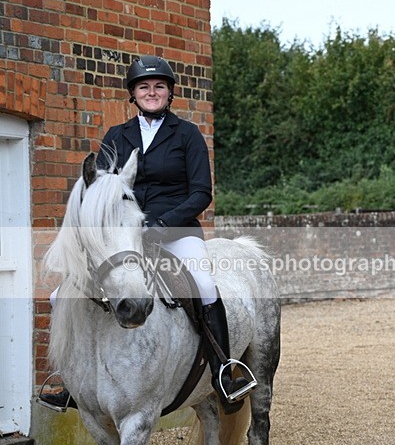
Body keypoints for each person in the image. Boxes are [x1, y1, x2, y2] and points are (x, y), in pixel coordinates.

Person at [40, 55, 254, 413]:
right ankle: (72, 381)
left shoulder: (187, 134)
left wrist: (163, 224)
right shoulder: (116, 135)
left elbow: (201, 193)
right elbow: (101, 189)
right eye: (144, 87)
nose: (151, 92)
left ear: (169, 93)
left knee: (203, 284)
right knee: (61, 294)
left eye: (159, 87)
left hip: (177, 231)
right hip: (126, 235)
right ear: (134, 94)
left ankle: (223, 372)